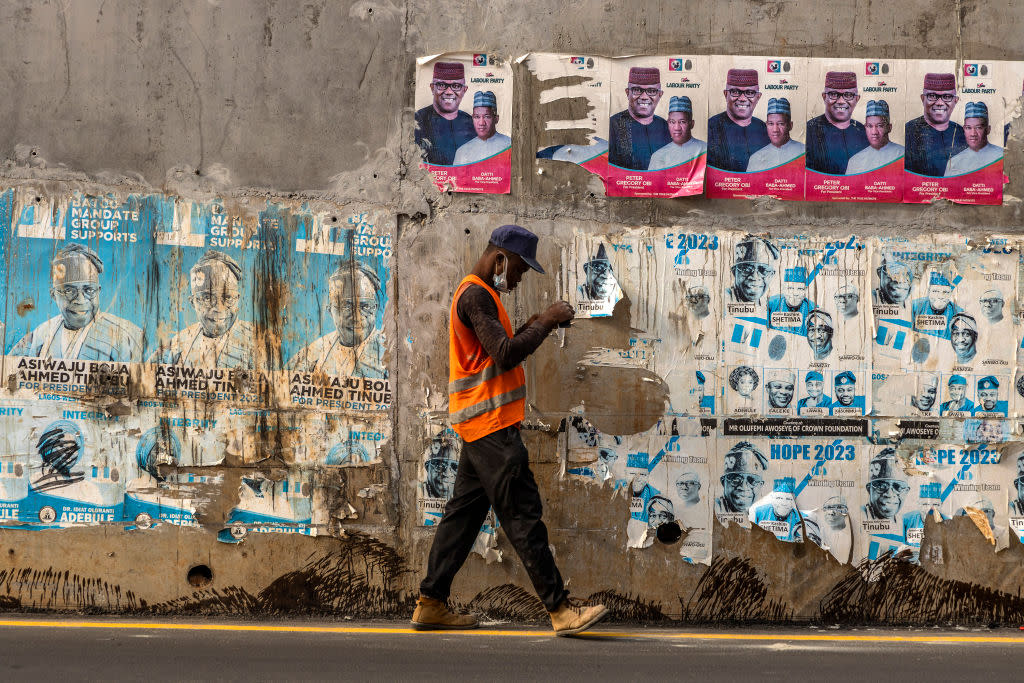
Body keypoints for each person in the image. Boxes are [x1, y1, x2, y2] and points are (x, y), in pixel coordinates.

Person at [413, 224, 607, 636]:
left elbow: (494, 353)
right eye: (518, 269)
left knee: (462, 519)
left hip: (478, 429)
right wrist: (548, 321)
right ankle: (559, 610)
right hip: (491, 430)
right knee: (523, 515)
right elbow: (503, 355)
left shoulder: (483, 296)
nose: (518, 278)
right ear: (499, 257)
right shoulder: (477, 296)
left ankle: (430, 602)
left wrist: (533, 325)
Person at [11, 244, 143, 362]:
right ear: (54, 295)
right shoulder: (40, 336)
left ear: (98, 291)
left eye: (89, 290)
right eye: (68, 291)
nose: (80, 300)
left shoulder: (127, 337)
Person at [151, 251, 257, 369]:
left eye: (228, 298)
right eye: (207, 298)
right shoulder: (177, 344)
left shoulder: (258, 343)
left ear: (237, 299)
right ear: (193, 302)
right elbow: (146, 378)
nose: (219, 308)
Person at [287, 263, 385, 377]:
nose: (357, 316)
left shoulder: (393, 355)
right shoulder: (315, 352)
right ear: (330, 311)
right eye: (347, 307)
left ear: (376, 308)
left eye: (365, 306)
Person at [806, 71, 869, 174]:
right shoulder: (809, 130)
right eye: (833, 94)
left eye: (848, 95)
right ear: (824, 97)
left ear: (857, 99)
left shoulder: (863, 131)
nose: (841, 101)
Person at [608, 66, 670, 170]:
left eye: (651, 91)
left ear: (660, 94)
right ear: (628, 93)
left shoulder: (665, 127)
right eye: (637, 90)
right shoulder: (613, 125)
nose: (644, 97)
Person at [905, 72, 966, 177]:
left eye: (947, 96)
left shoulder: (961, 133)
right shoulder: (908, 131)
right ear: (923, 99)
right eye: (932, 96)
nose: (939, 103)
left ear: (955, 101)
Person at [708, 68, 770, 172]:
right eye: (735, 91)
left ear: (758, 97)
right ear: (725, 94)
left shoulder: (765, 129)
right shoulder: (710, 128)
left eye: (750, 92)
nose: (742, 98)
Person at [415, 61, 475, 166]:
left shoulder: (472, 123)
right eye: (441, 85)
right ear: (432, 88)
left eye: (456, 86)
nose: (448, 92)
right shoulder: (417, 121)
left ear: (464, 90)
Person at [845, 99, 904, 175]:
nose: (874, 132)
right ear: (865, 127)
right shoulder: (855, 161)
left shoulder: (903, 155)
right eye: (870, 126)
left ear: (889, 127)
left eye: (880, 126)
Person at [745, 98, 805, 172]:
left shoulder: (804, 152)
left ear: (790, 125)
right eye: (771, 124)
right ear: (766, 125)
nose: (775, 130)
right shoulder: (756, 158)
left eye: (781, 124)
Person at [944, 101, 1003, 176]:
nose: (973, 134)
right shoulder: (954, 162)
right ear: (964, 130)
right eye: (968, 128)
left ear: (988, 129)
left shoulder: (1001, 156)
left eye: (978, 127)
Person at [453, 91, 511, 166]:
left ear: (496, 119)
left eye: (487, 117)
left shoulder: (509, 145)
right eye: (477, 117)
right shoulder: (462, 152)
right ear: (472, 118)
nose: (481, 123)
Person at [648, 96, 706, 170]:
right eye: (672, 122)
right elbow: (653, 180)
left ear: (692, 124)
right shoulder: (658, 156)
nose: (677, 128)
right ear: (668, 124)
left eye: (682, 122)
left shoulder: (705, 150)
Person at [715, 441, 767, 515]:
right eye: (735, 480)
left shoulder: (765, 513)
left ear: (761, 485)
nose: (743, 487)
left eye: (752, 481)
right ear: (724, 482)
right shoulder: (713, 509)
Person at [726, 237, 779, 304]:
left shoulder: (770, 304)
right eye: (746, 269)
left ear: (771, 275)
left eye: (763, 270)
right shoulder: (724, 298)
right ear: (734, 272)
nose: (755, 277)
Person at [863, 449, 910, 522]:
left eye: (898, 487)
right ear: (869, 489)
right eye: (881, 486)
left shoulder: (905, 522)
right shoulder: (859, 515)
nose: (889, 494)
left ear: (906, 491)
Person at [911, 271, 961, 338]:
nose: (940, 296)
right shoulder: (915, 306)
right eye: (935, 291)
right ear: (928, 292)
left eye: (945, 292)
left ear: (951, 294)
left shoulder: (957, 312)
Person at [767, 266, 813, 333]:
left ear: (805, 290)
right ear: (783, 289)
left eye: (800, 289)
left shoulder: (812, 309)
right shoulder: (771, 304)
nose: (795, 293)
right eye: (790, 288)